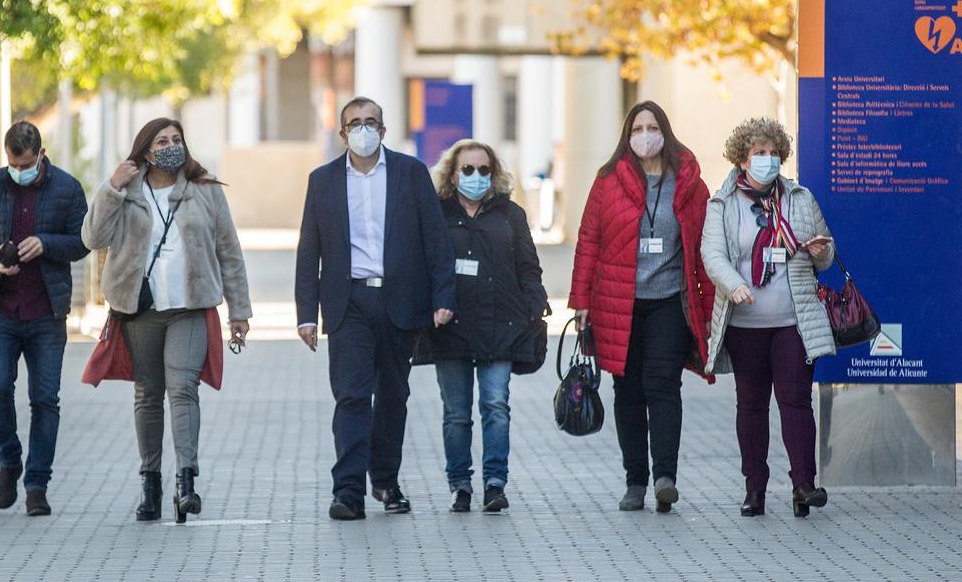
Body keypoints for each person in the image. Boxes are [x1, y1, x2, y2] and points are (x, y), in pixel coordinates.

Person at [82, 117, 252, 523]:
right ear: (145, 149)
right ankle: (150, 482)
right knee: (148, 393)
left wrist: (239, 310)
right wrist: (111, 188)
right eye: (162, 141)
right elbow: (92, 239)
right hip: (140, 309)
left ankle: (186, 482)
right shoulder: (126, 190)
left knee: (183, 389)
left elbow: (229, 250)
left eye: (177, 139)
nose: (171, 146)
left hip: (190, 307)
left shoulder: (205, 188)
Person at [295, 96, 456, 521]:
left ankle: (385, 481)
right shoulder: (323, 180)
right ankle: (347, 492)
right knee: (350, 397)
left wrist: (443, 299)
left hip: (400, 302)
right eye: (355, 123)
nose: (363, 129)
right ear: (342, 131)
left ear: (383, 130)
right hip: (348, 304)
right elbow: (308, 249)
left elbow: (436, 241)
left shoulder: (411, 173)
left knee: (392, 397)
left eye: (371, 122)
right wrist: (307, 313)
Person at [569, 100, 714, 513]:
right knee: (627, 390)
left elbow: (706, 242)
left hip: (670, 301)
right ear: (626, 136)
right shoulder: (608, 181)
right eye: (637, 129)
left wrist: (712, 301)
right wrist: (580, 302)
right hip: (618, 302)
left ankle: (665, 477)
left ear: (665, 132)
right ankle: (635, 482)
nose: (645, 135)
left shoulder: (688, 182)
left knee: (663, 385)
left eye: (652, 127)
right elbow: (589, 242)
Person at [701, 116, 836, 518]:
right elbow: (713, 255)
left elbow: (826, 257)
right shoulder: (722, 203)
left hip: (793, 320)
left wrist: (818, 252)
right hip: (745, 322)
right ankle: (754, 488)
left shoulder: (799, 198)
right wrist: (732, 284)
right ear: (742, 159)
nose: (768, 159)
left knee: (795, 401)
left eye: (774, 152)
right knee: (752, 406)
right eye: (759, 153)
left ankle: (803, 486)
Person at [0, 121, 89, 517]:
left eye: (28, 163)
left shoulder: (67, 188)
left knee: (45, 400)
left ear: (41, 154)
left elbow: (84, 241)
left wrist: (46, 244)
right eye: (14, 164)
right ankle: (9, 458)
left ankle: (36, 485)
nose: (21, 170)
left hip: (46, 313)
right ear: (6, 158)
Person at [414, 140, 548, 513]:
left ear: (494, 173)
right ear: (453, 174)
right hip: (450, 326)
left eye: (483, 170)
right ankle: (460, 485)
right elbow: (422, 266)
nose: (476, 176)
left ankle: (494, 483)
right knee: (456, 412)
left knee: (495, 405)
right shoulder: (437, 214)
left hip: (500, 324)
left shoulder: (511, 215)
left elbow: (528, 266)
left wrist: (534, 306)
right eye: (467, 170)